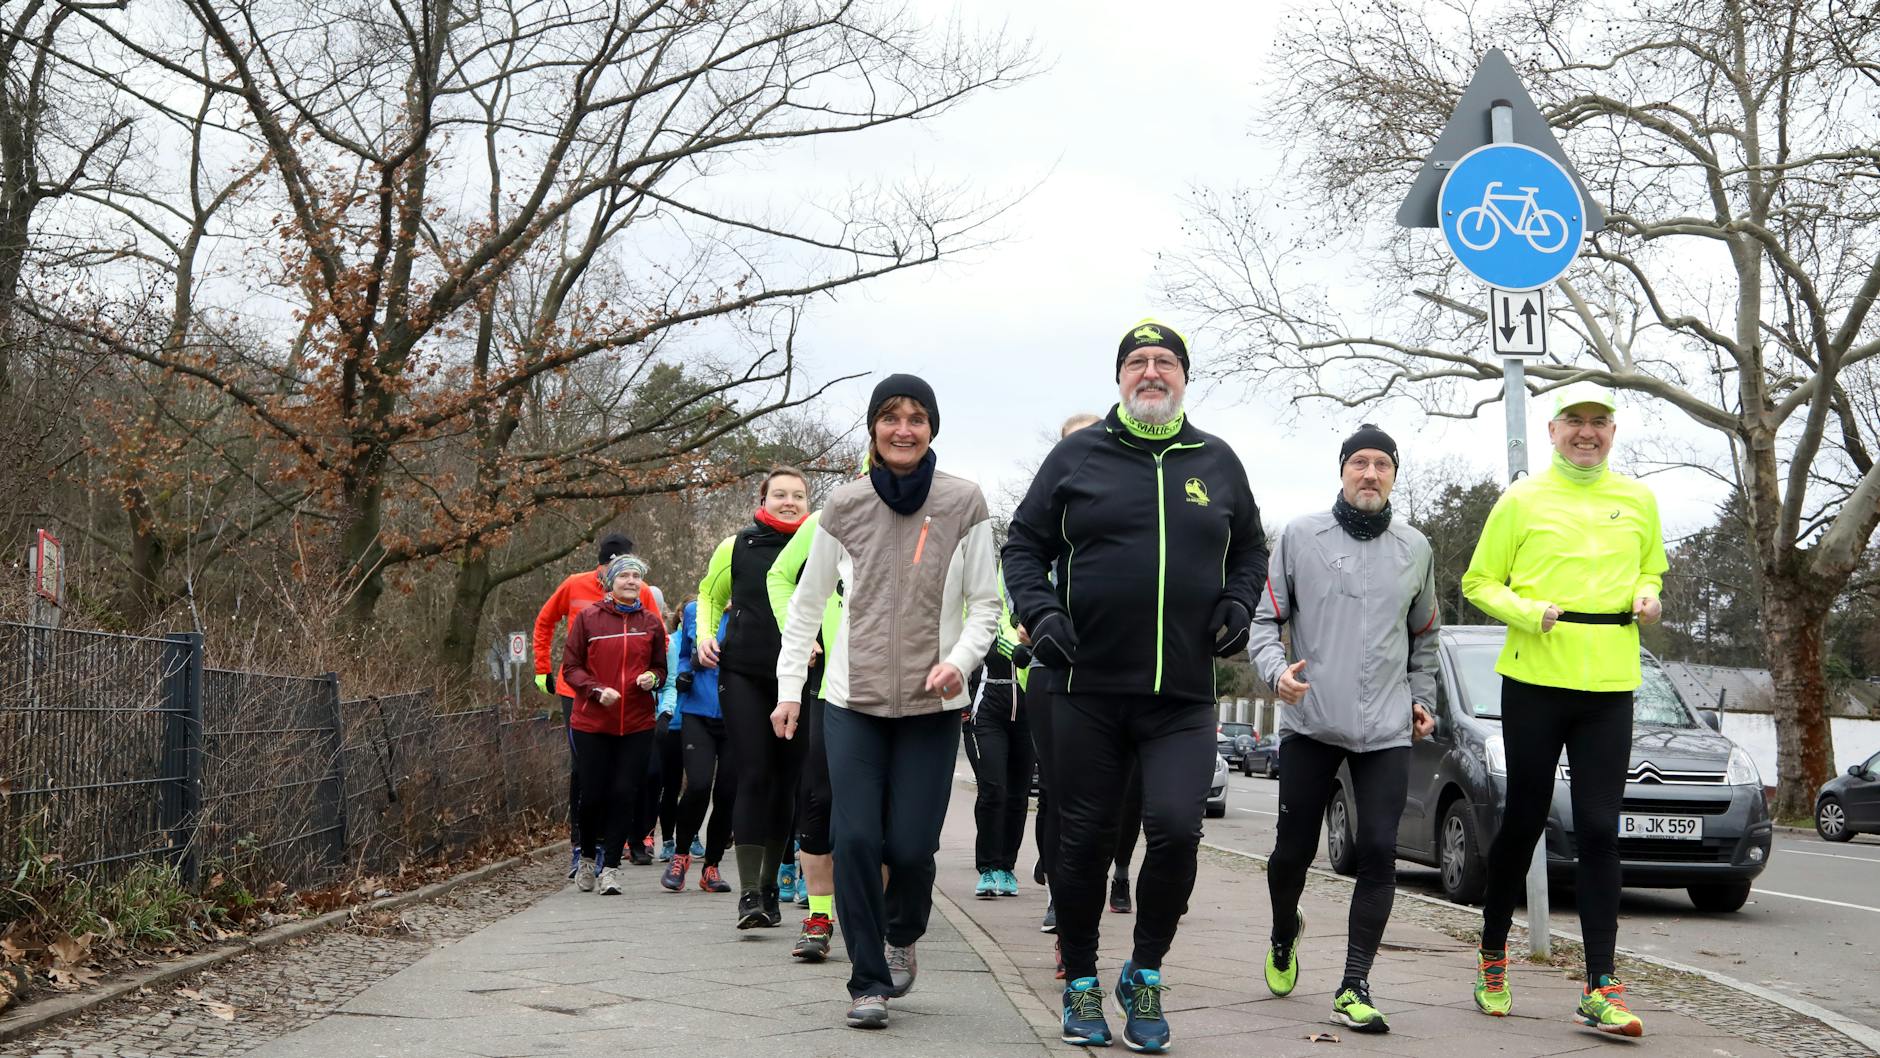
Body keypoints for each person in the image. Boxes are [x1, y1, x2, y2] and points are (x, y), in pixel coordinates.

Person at [1003, 321, 1266, 1053]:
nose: (1151, 373)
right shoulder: (1078, 456)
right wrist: (1041, 611)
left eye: (1165, 362)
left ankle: (1144, 971)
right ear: (1120, 378)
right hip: (1082, 686)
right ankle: (1081, 982)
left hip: (1181, 693)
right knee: (1082, 840)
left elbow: (1250, 547)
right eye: (1137, 362)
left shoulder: (1216, 461)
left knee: (1179, 830)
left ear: (1184, 377)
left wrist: (1239, 603)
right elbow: (1023, 544)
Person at [772, 374, 1001, 1030]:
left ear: (932, 428)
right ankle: (866, 980)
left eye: (917, 417)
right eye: (891, 417)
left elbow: (985, 604)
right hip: (851, 701)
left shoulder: (964, 503)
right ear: (874, 427)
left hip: (932, 707)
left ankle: (903, 930)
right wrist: (792, 690)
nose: (904, 428)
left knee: (909, 847)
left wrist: (957, 664)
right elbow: (807, 605)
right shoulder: (842, 506)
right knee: (855, 836)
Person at [1461, 381, 1665, 1037]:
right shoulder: (1522, 500)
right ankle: (1494, 954)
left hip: (1609, 682)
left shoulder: (1637, 499)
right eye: (1574, 421)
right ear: (1551, 430)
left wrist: (1647, 594)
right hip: (1536, 679)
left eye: (1599, 422)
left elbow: (1651, 569)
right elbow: (1478, 582)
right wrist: (1528, 611)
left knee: (1602, 829)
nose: (1587, 432)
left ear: (1612, 430)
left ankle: (1601, 985)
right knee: (1524, 819)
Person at [1249, 423, 1441, 1034]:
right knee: (1291, 855)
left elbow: (1425, 637)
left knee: (1379, 849)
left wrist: (1423, 698)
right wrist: (1276, 674)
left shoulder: (1416, 548)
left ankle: (1354, 983)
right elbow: (1263, 622)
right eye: (1359, 462)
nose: (1370, 473)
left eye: (1382, 465)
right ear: (1341, 471)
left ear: (1393, 477)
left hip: (1385, 727)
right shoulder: (1301, 537)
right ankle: (1285, 931)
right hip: (1310, 719)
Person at [697, 467, 813, 929]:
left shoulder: (821, 544)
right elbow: (709, 593)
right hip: (743, 672)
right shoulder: (736, 546)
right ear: (763, 498)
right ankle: (748, 894)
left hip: (801, 679)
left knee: (787, 782)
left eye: (799, 496)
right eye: (780, 494)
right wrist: (705, 635)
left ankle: (770, 886)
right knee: (754, 774)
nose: (790, 502)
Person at [533, 532, 661, 877]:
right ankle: (581, 847)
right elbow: (545, 621)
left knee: (625, 780)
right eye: (615, 569)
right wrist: (542, 668)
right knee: (585, 774)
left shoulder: (642, 592)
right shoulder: (574, 585)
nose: (625, 577)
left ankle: (622, 844)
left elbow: (655, 643)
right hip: (578, 693)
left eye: (632, 571)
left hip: (628, 702)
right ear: (602, 568)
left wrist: (653, 678)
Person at [1027, 412, 1101, 942]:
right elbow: (1021, 565)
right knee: (1059, 791)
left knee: (1106, 800)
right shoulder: (1050, 500)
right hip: (1052, 671)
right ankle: (1060, 894)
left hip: (1114, 675)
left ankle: (1099, 882)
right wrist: (1034, 619)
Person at [766, 504, 848, 962]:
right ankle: (819, 916)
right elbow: (779, 577)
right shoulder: (829, 516)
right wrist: (800, 635)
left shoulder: (924, 514)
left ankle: (871, 917)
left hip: (894, 689)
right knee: (819, 799)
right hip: (828, 684)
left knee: (883, 816)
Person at [561, 554, 668, 895]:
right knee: (593, 795)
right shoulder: (588, 619)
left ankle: (610, 867)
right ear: (611, 582)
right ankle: (589, 857)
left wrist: (653, 678)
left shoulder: (651, 622)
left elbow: (661, 669)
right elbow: (570, 668)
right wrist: (595, 691)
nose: (632, 581)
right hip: (593, 722)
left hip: (636, 723)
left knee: (625, 794)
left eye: (637, 576)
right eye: (625, 576)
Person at [661, 598, 737, 893]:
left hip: (736, 714)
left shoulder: (754, 609)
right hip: (697, 711)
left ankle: (712, 867)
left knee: (728, 791)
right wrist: (684, 671)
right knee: (699, 785)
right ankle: (680, 855)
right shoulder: (695, 610)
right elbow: (682, 654)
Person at [968, 595, 1033, 900]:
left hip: (1029, 712)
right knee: (994, 788)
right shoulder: (991, 600)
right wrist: (1017, 648)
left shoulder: (1037, 599)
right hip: (990, 705)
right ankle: (988, 867)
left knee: (1018, 797)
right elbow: (986, 640)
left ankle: (1007, 867)